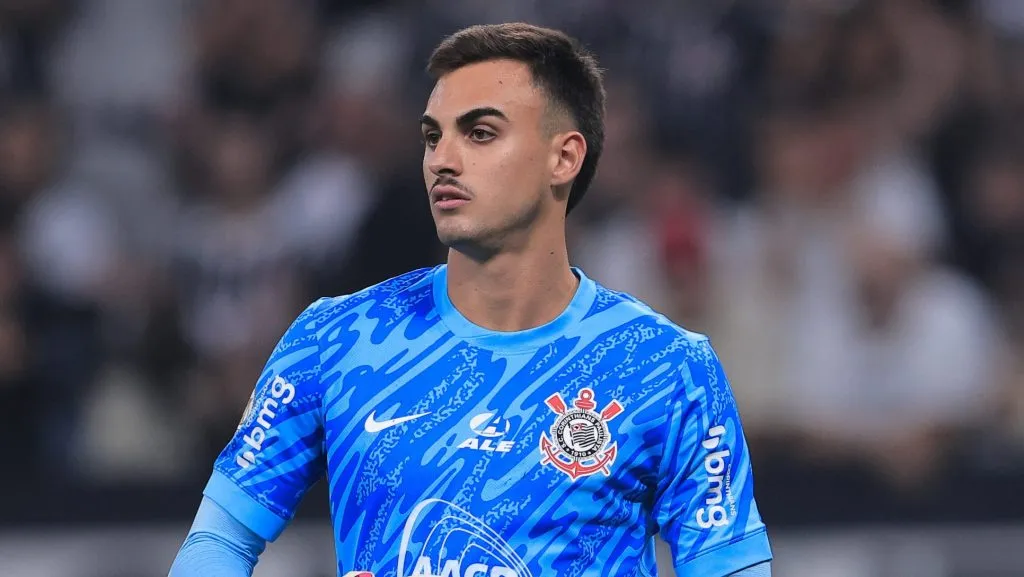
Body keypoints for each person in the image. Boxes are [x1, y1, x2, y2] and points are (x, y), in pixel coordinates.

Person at [169, 23, 772, 577]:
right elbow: (219, 541)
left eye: (480, 133)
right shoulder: (337, 338)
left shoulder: (667, 367)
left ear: (564, 157)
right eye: (433, 136)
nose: (443, 160)